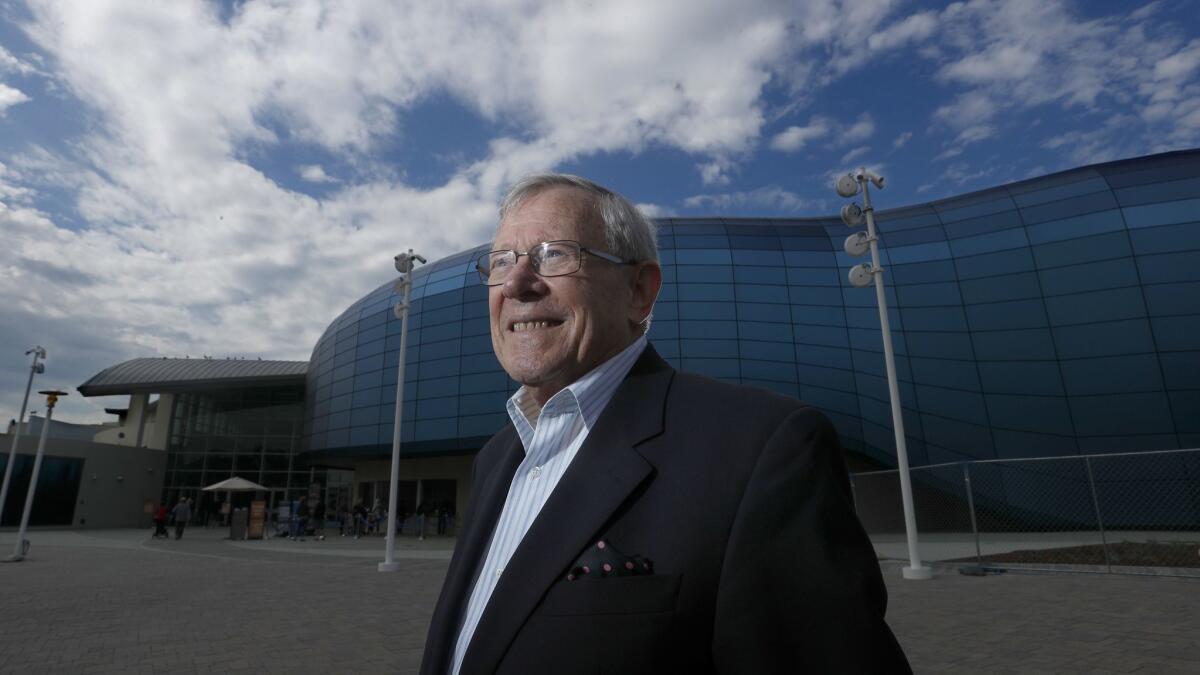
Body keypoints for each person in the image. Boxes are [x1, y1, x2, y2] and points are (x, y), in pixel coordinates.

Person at [420, 174, 910, 674]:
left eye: (554, 254)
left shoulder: (762, 451)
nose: (519, 284)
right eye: (502, 261)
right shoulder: (496, 458)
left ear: (639, 290)